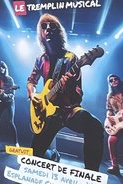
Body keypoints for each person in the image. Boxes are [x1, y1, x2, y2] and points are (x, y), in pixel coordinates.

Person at [26, 13, 105, 171]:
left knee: (95, 126)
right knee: (34, 154)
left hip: (68, 110)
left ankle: (91, 179)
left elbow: (78, 94)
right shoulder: (41, 59)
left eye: (52, 26)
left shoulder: (71, 58)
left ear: (58, 31)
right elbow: (31, 81)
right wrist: (33, 94)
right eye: (44, 26)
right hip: (47, 113)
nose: (48, 29)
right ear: (40, 33)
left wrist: (67, 86)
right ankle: (51, 157)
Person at [0, 61, 19, 149]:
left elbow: (12, 94)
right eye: (0, 67)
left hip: (9, 102)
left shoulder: (9, 79)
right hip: (0, 102)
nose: (1, 68)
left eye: (3, 67)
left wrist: (5, 95)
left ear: (5, 68)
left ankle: (16, 143)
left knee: (10, 121)